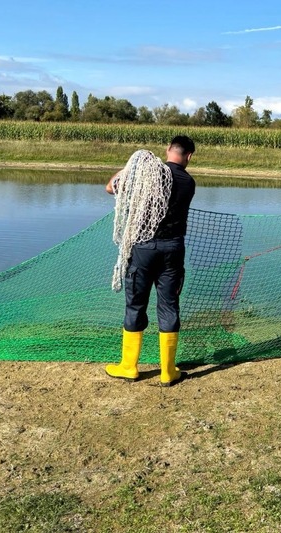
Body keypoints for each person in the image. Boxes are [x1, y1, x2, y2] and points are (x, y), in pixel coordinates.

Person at [104, 135, 196, 386]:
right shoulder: (189, 182)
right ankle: (168, 371)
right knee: (169, 306)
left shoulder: (147, 175)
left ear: (167, 150)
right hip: (173, 249)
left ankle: (129, 367)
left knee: (135, 305)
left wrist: (132, 165)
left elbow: (111, 187)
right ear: (189, 156)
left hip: (144, 249)